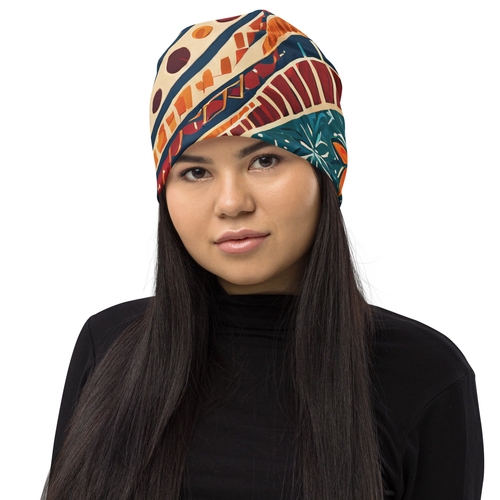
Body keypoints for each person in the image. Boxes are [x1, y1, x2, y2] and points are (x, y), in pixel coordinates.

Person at [43, 9, 484, 500]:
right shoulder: (108, 346)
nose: (232, 203)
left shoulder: (423, 375)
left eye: (265, 160)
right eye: (195, 172)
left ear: (327, 172)